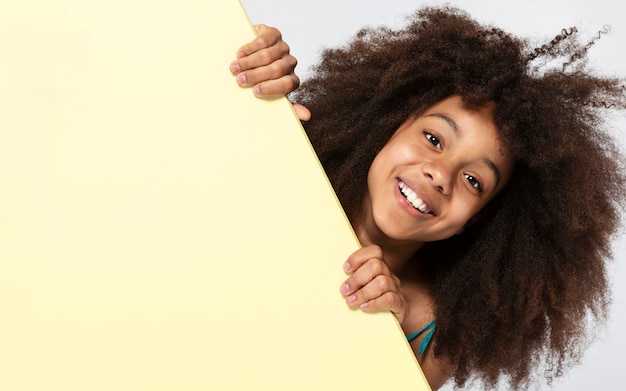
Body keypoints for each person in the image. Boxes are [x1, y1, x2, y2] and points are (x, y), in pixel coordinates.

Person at [230, 7, 626, 390]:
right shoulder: (289, 163)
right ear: (389, 125)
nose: (440, 175)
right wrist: (248, 76)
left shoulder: (433, 334)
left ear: (477, 219)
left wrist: (383, 340)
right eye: (434, 139)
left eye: (473, 180)